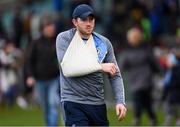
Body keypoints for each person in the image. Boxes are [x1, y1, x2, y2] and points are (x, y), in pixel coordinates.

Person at [56, 4, 126, 126]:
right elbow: (68, 68)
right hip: (73, 102)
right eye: (84, 20)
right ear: (75, 22)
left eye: (91, 19)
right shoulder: (64, 39)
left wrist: (120, 101)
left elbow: (115, 74)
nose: (88, 23)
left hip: (97, 104)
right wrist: (100, 66)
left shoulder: (104, 43)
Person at [119, 27, 158, 125]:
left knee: (138, 97)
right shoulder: (127, 50)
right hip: (134, 77)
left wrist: (159, 71)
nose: (130, 39)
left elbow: (153, 62)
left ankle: (137, 118)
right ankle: (152, 118)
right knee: (145, 100)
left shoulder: (146, 48)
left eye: (132, 37)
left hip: (145, 76)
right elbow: (123, 64)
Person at [26, 15, 60, 126]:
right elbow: (30, 61)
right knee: (45, 108)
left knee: (52, 103)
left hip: (54, 79)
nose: (51, 29)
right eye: (48, 26)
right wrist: (30, 76)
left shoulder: (58, 41)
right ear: (43, 28)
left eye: (52, 26)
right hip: (40, 81)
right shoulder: (35, 43)